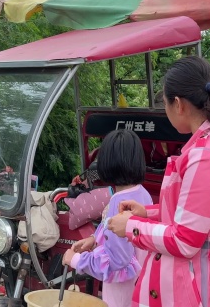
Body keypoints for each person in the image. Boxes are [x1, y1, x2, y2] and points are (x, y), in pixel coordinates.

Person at [107, 56, 210, 307]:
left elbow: (185, 240)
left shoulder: (206, 156)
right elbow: (198, 217)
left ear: (178, 104)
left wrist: (131, 227)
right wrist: (149, 213)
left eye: (164, 102)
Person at [62, 129, 153, 307]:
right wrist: (93, 239)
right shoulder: (142, 194)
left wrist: (75, 260)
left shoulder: (118, 203)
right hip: (142, 286)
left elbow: (116, 262)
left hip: (121, 296)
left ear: (106, 163)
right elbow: (117, 235)